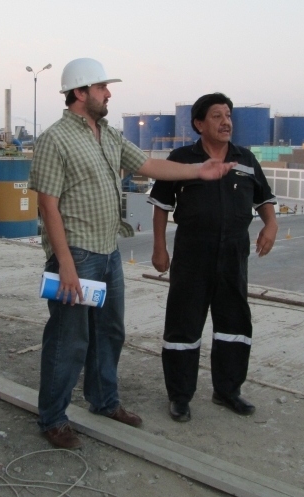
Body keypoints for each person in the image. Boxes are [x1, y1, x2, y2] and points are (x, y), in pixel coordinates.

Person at [29, 58, 236, 449]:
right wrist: (67, 265)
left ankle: (105, 401)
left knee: (109, 333)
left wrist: (199, 171)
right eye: (102, 88)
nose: (109, 93)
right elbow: (48, 205)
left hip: (107, 252)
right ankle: (53, 417)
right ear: (80, 92)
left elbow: (149, 164)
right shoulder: (55, 139)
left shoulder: (107, 135)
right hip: (76, 253)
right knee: (67, 340)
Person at [148, 93, 278, 422]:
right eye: (217, 116)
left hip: (234, 252)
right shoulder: (181, 159)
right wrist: (159, 247)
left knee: (234, 323)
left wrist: (271, 225)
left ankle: (228, 390)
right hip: (193, 251)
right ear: (199, 124)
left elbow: (263, 198)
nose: (226, 122)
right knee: (183, 323)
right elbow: (162, 207)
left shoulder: (245, 159)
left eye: (229, 115)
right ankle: (180, 395)